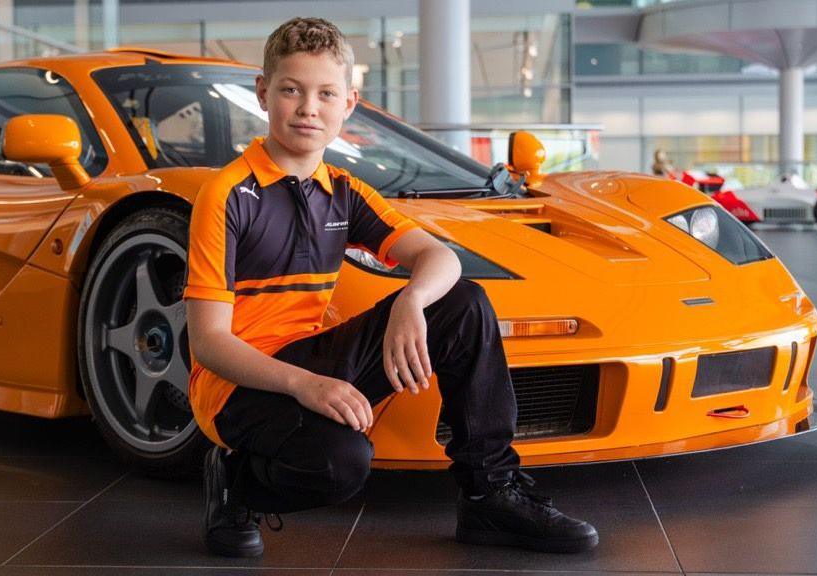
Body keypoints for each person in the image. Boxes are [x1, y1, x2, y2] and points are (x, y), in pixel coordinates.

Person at [184, 17, 598, 558]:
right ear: (263, 93)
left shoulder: (344, 192)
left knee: (463, 302)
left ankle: (489, 493)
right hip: (235, 386)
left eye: (325, 94)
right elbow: (209, 343)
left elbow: (439, 257)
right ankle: (234, 482)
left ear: (348, 104)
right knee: (341, 464)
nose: (308, 108)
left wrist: (412, 300)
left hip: (311, 356)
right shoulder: (227, 195)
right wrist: (305, 386)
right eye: (291, 90)